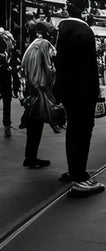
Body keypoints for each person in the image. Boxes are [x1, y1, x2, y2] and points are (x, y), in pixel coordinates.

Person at [53, 0, 105, 198]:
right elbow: (89, 68)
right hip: (83, 92)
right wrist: (95, 92)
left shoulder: (62, 29)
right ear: (86, 9)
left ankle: (74, 170)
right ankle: (80, 177)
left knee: (73, 131)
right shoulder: (84, 31)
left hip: (66, 90)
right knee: (83, 132)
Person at [20, 22, 58, 168]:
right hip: (39, 89)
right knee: (37, 123)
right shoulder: (45, 45)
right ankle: (31, 158)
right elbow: (49, 68)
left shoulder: (32, 45)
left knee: (33, 124)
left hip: (31, 88)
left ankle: (30, 156)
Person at [0, 37, 11, 138]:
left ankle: (7, 125)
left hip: (4, 77)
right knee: (7, 102)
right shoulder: (4, 40)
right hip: (5, 77)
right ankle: (7, 126)